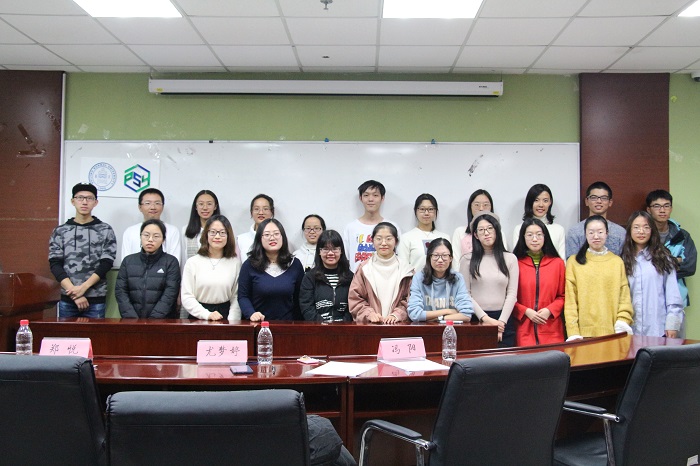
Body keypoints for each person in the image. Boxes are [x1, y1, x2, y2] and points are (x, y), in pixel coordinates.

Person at [49, 182, 116, 318]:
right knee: (66, 332)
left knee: (95, 333)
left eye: (89, 198)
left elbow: (106, 263)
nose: (84, 202)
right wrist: (75, 293)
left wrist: (83, 288)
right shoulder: (60, 231)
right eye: (80, 198)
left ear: (95, 202)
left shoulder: (105, 230)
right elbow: (55, 264)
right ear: (72, 201)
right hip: (68, 298)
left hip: (96, 298)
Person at [564, 215, 634, 339]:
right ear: (585, 234)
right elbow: (570, 301)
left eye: (600, 232)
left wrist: (622, 321)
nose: (596, 236)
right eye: (591, 232)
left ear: (607, 233)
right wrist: (573, 331)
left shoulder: (616, 262)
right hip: (582, 334)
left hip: (613, 332)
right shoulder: (574, 262)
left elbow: (624, 296)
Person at [458, 213, 518, 347]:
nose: (486, 233)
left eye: (490, 228)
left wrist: (501, 323)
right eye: (481, 230)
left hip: (504, 319)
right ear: (475, 235)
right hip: (477, 319)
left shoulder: (510, 259)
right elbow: (465, 294)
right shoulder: (467, 260)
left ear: (497, 231)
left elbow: (512, 294)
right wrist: (486, 319)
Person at [621, 211, 683, 338]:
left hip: (658, 329)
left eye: (646, 227)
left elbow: (673, 297)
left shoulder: (663, 258)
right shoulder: (622, 260)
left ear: (652, 230)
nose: (641, 231)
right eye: (636, 227)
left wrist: (672, 325)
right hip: (630, 330)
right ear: (629, 231)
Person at [512, 218, 566, 346]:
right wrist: (525, 311)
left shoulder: (557, 263)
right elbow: (508, 297)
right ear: (523, 237)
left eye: (539, 234)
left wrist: (549, 310)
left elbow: (563, 295)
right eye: (530, 235)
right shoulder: (514, 263)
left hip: (551, 329)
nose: (534, 239)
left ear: (545, 237)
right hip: (523, 329)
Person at [238, 218, 305, 321]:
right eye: (267, 235)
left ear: (282, 237)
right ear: (259, 238)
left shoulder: (295, 264)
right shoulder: (249, 265)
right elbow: (243, 296)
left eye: (276, 234)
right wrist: (251, 313)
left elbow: (300, 298)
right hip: (258, 323)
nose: (272, 238)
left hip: (288, 325)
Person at [349, 222, 414, 324]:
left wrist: (397, 314)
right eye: (379, 239)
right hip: (371, 326)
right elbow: (355, 299)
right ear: (372, 241)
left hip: (398, 326)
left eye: (388, 239)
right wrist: (369, 314)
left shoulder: (406, 270)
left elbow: (411, 299)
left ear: (396, 241)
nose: (383, 243)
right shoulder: (364, 268)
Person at [115, 219, 181, 318]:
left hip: (162, 321)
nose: (150, 239)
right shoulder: (128, 261)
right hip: (132, 320)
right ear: (140, 237)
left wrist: (154, 320)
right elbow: (121, 291)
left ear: (163, 239)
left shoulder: (171, 262)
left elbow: (170, 293)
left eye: (156, 236)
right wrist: (131, 318)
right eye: (146, 235)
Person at [181, 215, 242, 321]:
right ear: (206, 234)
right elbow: (187, 296)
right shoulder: (192, 262)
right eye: (213, 232)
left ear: (228, 236)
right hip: (198, 316)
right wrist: (206, 314)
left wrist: (232, 321)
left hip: (226, 316)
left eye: (222, 233)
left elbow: (236, 297)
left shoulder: (235, 263)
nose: (217, 236)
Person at [645, 189, 696, 310]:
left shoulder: (682, 236)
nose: (662, 210)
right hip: (648, 299)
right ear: (648, 210)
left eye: (666, 206)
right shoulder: (642, 235)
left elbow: (690, 266)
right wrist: (676, 260)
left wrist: (656, 264)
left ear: (671, 208)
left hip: (676, 300)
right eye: (657, 206)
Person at [407, 238, 473, 322]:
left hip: (452, 327)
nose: (440, 260)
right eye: (436, 255)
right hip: (426, 328)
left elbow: (466, 315)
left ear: (451, 258)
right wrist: (447, 311)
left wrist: (439, 318)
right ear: (429, 257)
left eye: (445, 255)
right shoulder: (419, 278)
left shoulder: (458, 278)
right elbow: (414, 314)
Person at [343, 180, 400, 272]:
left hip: (385, 276)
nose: (370, 199)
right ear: (360, 198)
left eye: (375, 195)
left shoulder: (392, 227)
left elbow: (398, 256)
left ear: (382, 198)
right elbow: (346, 258)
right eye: (366, 195)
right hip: (357, 278)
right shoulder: (351, 228)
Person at [299, 229, 354, 322]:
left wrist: (343, 324)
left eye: (335, 249)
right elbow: (306, 306)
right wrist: (321, 323)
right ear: (319, 251)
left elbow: (354, 305)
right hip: (317, 327)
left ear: (341, 251)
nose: (330, 253)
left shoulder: (350, 277)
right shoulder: (310, 277)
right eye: (325, 249)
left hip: (345, 327)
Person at [120, 188, 181, 265]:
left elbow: (175, 262)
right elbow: (125, 262)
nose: (153, 207)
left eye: (157, 203)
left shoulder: (172, 231)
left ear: (162, 207)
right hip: (135, 272)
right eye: (147, 203)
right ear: (140, 207)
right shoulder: (130, 231)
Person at [565, 181, 626, 258]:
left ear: (610, 202)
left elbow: (624, 262)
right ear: (587, 201)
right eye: (594, 197)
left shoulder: (620, 233)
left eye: (604, 198)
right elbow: (572, 261)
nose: (599, 201)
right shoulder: (574, 232)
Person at [511, 184, 566, 259]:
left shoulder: (559, 229)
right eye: (536, 200)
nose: (541, 205)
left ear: (550, 202)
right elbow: (517, 259)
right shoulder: (519, 229)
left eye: (545, 201)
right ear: (530, 202)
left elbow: (562, 260)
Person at [397, 193, 449, 273]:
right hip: (415, 280)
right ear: (416, 211)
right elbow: (403, 267)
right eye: (422, 209)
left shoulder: (445, 238)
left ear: (436, 211)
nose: (426, 213)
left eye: (430, 209)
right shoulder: (406, 238)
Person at [451, 189, 506, 263]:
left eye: (485, 205)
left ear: (491, 207)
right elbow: (456, 262)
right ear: (470, 207)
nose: (481, 209)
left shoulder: (498, 232)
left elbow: (503, 258)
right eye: (477, 205)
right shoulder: (459, 232)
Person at [182, 190, 222, 262]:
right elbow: (184, 259)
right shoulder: (186, 230)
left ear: (215, 206)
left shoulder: (222, 230)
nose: (205, 208)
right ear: (196, 207)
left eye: (209, 204)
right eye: (201, 204)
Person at [237, 194, 275, 261]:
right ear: (251, 212)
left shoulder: (279, 238)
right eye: (256, 209)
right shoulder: (241, 240)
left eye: (265, 209)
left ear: (272, 212)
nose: (261, 212)